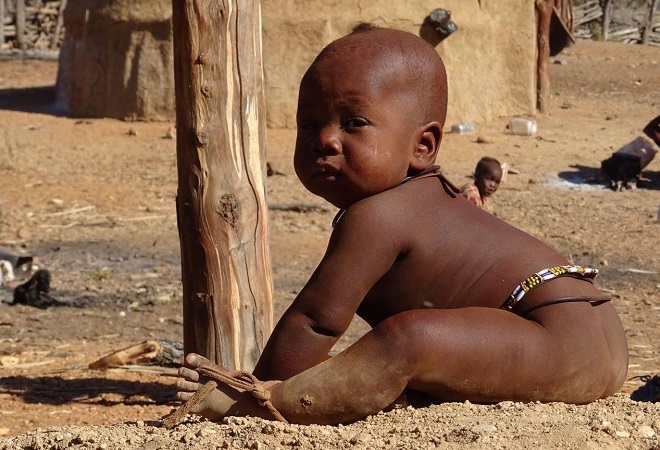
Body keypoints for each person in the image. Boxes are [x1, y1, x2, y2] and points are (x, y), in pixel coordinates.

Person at [172, 24, 628, 426]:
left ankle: (257, 405)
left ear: (423, 146)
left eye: (354, 123)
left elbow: (314, 323)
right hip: (595, 339)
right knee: (398, 347)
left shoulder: (380, 214)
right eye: (309, 124)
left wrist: (254, 387)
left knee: (407, 339)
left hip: (559, 340)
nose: (325, 139)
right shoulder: (418, 204)